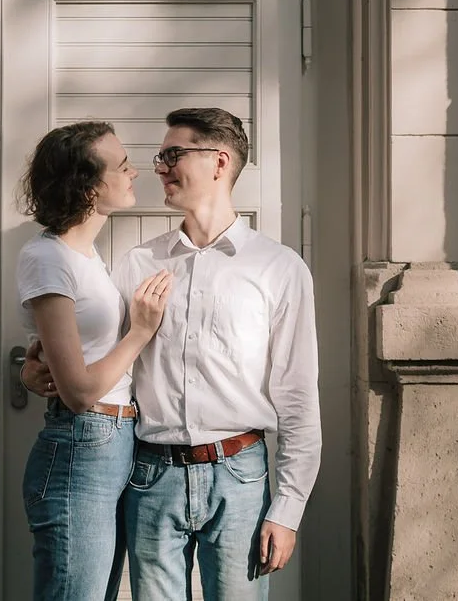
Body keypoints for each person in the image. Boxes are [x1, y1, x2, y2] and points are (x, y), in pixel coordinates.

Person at [22, 107, 322, 600]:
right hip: (150, 476)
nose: (159, 166)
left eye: (172, 155)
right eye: (159, 156)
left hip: (240, 477)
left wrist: (287, 511)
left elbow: (298, 398)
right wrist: (33, 373)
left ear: (219, 162)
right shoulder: (138, 263)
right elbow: (93, 360)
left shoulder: (279, 269)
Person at [15, 120, 173, 601]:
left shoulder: (87, 258)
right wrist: (140, 331)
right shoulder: (48, 258)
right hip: (81, 447)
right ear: (86, 184)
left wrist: (33, 362)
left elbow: (69, 348)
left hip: (113, 443)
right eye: (122, 165)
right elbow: (82, 392)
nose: (134, 173)